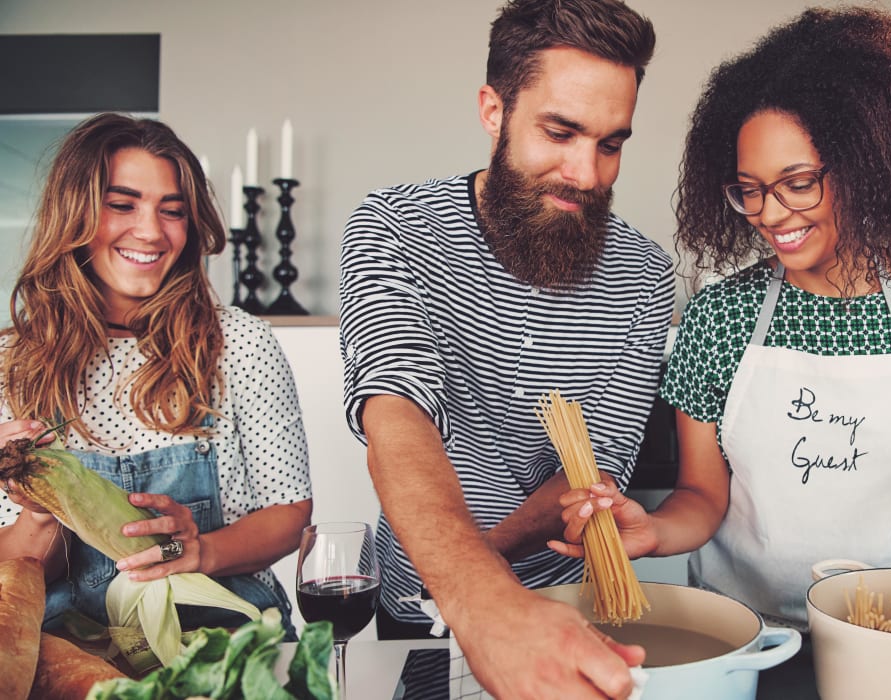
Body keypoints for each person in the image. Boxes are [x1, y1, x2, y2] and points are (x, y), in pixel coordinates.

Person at [554, 5, 891, 634]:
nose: (771, 214)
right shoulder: (723, 316)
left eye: (797, 182)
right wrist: (651, 530)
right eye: (752, 189)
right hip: (741, 631)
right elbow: (703, 497)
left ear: (868, 163)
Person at [340, 0, 673, 695]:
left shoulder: (645, 275)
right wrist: (482, 598)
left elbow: (594, 471)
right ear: (494, 111)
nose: (587, 172)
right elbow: (396, 419)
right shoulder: (393, 227)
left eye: (611, 143)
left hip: (575, 610)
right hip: (426, 610)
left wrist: (494, 570)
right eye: (561, 132)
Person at [0, 113, 313, 640]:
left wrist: (202, 549)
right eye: (121, 205)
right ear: (73, 213)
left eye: (172, 211)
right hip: (74, 653)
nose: (150, 231)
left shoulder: (238, 343)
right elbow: (22, 567)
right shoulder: (16, 363)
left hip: (224, 638)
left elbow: (289, 512)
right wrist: (40, 513)